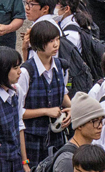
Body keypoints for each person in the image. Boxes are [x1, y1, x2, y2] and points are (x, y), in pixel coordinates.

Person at [16, 19, 71, 166]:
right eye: (50, 40)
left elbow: (62, 92)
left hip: (57, 136)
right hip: (32, 139)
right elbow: (17, 112)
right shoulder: (26, 72)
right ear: (38, 44)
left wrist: (72, 109)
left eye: (57, 39)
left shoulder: (60, 66)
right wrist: (46, 111)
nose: (56, 44)